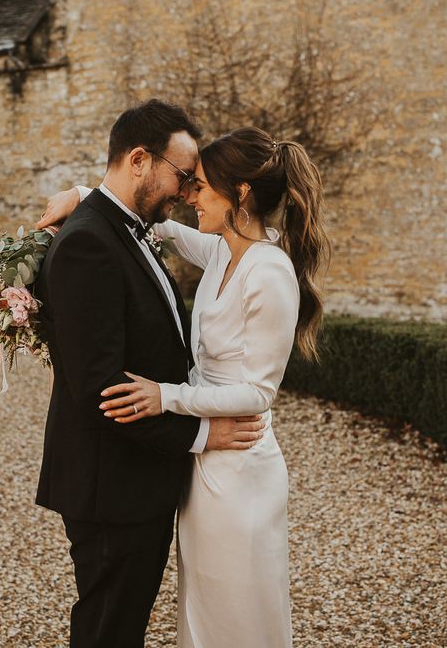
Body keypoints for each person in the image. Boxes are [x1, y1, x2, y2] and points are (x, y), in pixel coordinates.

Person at [38, 122, 330, 648]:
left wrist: (166, 396)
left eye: (200, 185)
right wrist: (87, 195)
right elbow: (149, 226)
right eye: (185, 179)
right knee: (202, 606)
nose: (189, 194)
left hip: (239, 460)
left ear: (239, 193)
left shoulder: (268, 271)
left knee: (239, 606)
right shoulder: (221, 250)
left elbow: (260, 395)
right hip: (200, 465)